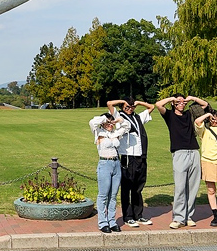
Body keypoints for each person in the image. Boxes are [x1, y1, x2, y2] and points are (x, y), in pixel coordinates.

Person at [154, 93, 208, 229]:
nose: (181, 104)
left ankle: (188, 216)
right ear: (173, 103)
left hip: (194, 151)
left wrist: (192, 99)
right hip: (179, 153)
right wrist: (172, 99)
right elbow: (158, 105)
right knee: (180, 187)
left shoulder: (189, 114)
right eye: (178, 102)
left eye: (183, 102)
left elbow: (205, 105)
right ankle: (178, 218)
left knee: (192, 186)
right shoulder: (169, 115)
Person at [107, 97, 155, 227]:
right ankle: (128, 216)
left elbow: (151, 107)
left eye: (132, 107)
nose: (129, 109)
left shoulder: (138, 117)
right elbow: (109, 103)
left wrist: (138, 103)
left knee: (138, 186)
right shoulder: (119, 116)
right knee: (127, 187)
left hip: (141, 155)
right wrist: (122, 101)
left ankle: (138, 215)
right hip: (127, 155)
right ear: (123, 106)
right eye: (127, 107)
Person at [88, 111, 129, 233]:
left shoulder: (115, 133)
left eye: (111, 123)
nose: (110, 125)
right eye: (108, 123)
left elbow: (127, 126)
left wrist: (118, 120)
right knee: (103, 194)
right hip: (104, 163)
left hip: (116, 163)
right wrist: (104, 119)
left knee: (113, 195)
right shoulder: (98, 132)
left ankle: (112, 221)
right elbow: (92, 122)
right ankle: (102, 222)